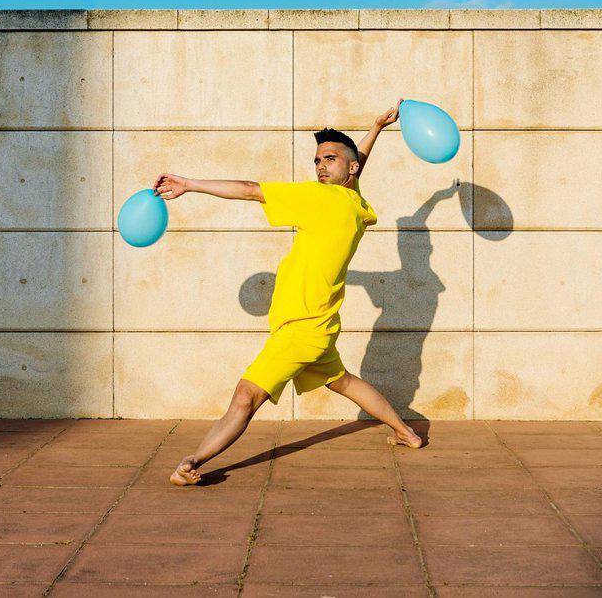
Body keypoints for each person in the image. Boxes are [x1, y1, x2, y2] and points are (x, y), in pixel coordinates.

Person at [154, 98, 423, 486]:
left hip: (300, 329)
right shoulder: (354, 203)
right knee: (343, 381)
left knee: (246, 396)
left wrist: (190, 185)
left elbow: (250, 190)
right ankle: (406, 433)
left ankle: (193, 461)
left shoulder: (320, 198)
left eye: (328, 159)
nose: (319, 166)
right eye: (316, 160)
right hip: (321, 324)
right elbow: (357, 161)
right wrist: (376, 128)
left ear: (348, 168)